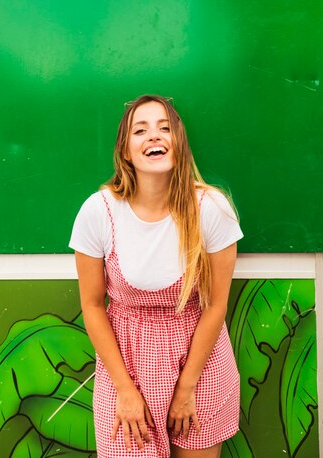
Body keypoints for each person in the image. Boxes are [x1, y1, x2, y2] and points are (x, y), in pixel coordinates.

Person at [70, 94, 243, 458]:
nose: (154, 136)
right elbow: (91, 305)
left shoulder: (211, 209)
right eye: (141, 130)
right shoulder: (98, 212)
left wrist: (187, 386)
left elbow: (215, 305)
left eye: (165, 128)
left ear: (178, 144)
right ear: (126, 151)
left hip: (200, 364)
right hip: (128, 365)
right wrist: (125, 389)